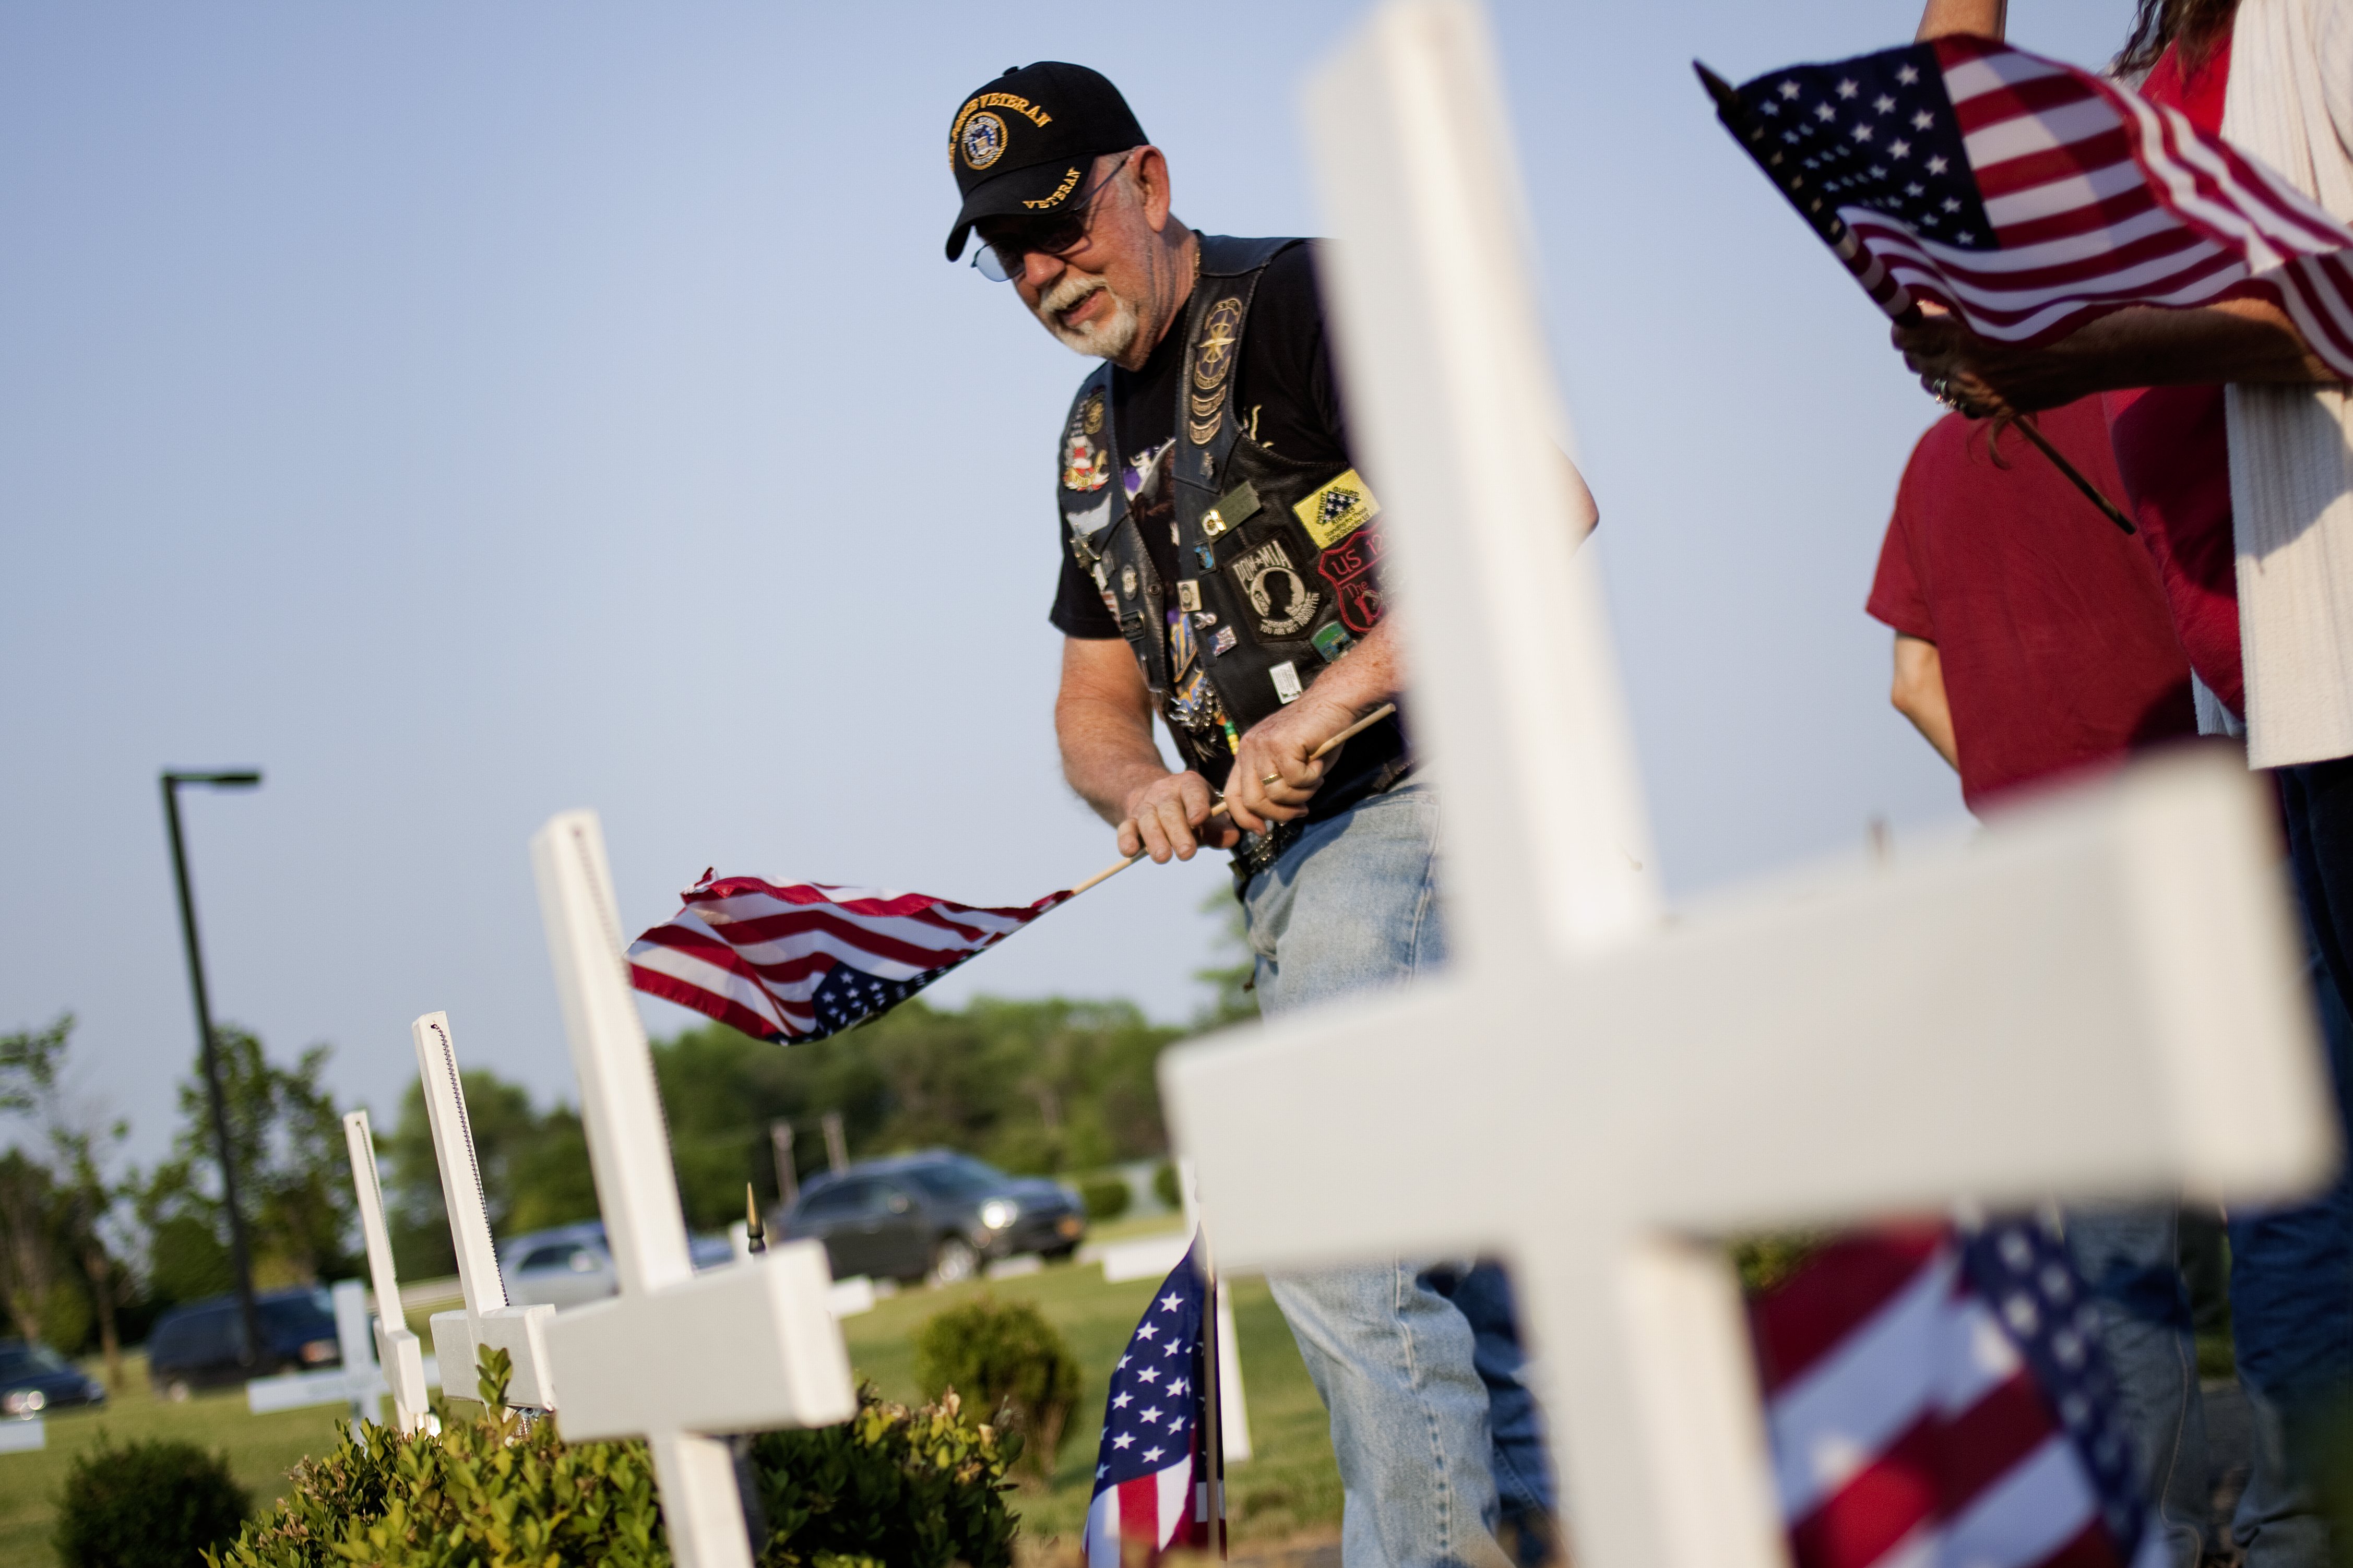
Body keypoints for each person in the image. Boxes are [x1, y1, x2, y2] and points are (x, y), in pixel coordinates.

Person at [940, 62, 1595, 1567]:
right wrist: (1140, 784)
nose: (1044, 270)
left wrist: (1319, 709)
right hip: (1287, 876)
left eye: (1060, 221)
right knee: (1464, 1263)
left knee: (1340, 1217)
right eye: (1007, 249)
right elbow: (1090, 709)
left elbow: (1535, 505)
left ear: (1147, 185)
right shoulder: (1089, 440)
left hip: (1429, 803)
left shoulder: (1307, 303)